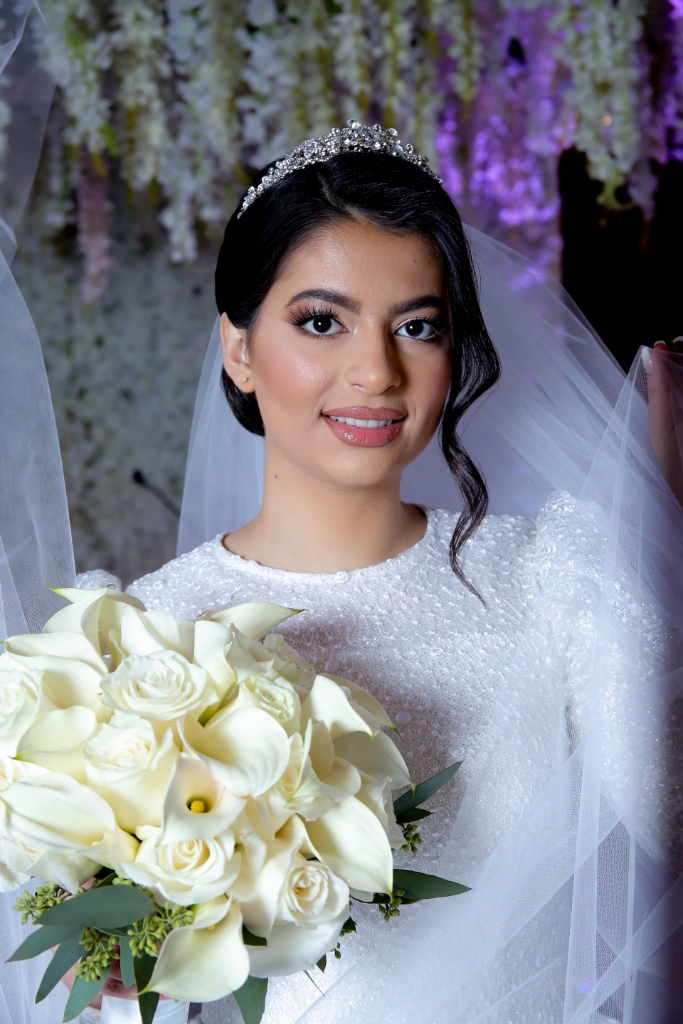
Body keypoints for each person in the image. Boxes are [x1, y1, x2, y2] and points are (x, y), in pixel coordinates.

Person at [1, 114, 682, 1023]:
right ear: (239, 349)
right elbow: (104, 986)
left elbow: (666, 830)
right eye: (322, 322)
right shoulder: (139, 646)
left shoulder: (558, 578)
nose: (375, 372)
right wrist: (120, 951)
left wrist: (661, 544)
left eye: (418, 326)